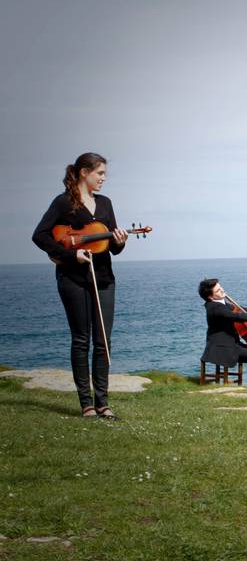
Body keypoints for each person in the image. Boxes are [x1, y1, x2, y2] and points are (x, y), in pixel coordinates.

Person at [32, 153, 128, 419]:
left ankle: (103, 403)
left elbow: (113, 249)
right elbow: (39, 235)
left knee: (103, 341)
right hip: (73, 278)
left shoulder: (106, 204)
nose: (103, 179)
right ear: (84, 172)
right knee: (81, 339)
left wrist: (120, 240)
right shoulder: (64, 202)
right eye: (100, 174)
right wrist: (69, 255)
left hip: (104, 278)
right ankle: (86, 404)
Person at [198, 278, 247, 388]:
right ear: (210, 297)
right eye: (217, 291)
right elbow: (237, 316)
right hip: (223, 348)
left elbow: (240, 310)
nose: (222, 290)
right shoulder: (214, 308)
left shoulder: (223, 304)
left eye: (220, 287)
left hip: (233, 345)